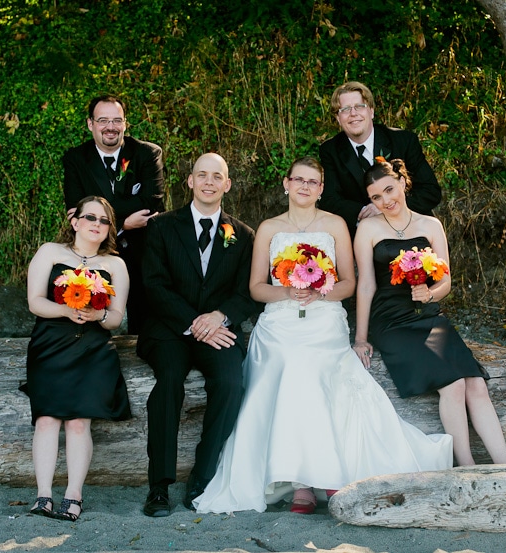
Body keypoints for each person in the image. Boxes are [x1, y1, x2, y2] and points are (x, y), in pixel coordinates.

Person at [193, 157, 453, 515]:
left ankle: (327, 474)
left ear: (321, 189)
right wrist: (286, 292)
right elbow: (255, 288)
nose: (304, 186)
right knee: (288, 360)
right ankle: (301, 483)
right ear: (285, 184)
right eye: (298, 180)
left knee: (314, 364)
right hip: (280, 319)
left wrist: (319, 292)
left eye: (313, 182)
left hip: (324, 315)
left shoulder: (335, 225)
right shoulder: (268, 228)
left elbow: (349, 282)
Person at [353, 160, 506, 466]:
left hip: (427, 312)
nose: (386, 200)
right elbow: (366, 286)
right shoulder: (368, 229)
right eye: (376, 197)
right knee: (452, 384)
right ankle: (467, 468)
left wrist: (430, 293)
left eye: (389, 189)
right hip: (391, 319)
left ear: (402, 181)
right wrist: (361, 338)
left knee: (475, 383)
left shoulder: (430, 225)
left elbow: (446, 280)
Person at [137, 153, 259, 517]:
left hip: (219, 330)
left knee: (230, 381)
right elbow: (154, 286)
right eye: (201, 175)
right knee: (170, 380)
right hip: (170, 329)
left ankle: (203, 479)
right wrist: (194, 323)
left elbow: (247, 292)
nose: (208, 181)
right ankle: (159, 486)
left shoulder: (244, 235)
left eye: (216, 176)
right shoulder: (161, 227)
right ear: (189, 181)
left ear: (227, 184)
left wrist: (219, 317)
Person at [22, 195, 131, 521]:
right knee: (46, 419)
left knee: (79, 423)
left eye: (103, 220)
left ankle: (73, 496)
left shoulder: (115, 265)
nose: (96, 224)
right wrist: (67, 310)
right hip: (50, 346)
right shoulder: (50, 252)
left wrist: (95, 314)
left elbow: (115, 319)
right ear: (75, 221)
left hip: (93, 350)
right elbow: (35, 302)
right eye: (90, 217)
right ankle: (43, 496)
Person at [62, 95, 165, 334]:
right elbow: (77, 209)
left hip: (143, 249)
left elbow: (152, 200)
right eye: (103, 120)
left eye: (117, 120)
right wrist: (123, 223)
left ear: (125, 123)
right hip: (95, 248)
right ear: (91, 124)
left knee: (147, 322)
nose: (111, 127)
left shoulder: (147, 154)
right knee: (88, 314)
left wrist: (95, 212)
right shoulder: (75, 159)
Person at [319, 81, 441, 237]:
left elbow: (430, 191)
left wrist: (384, 208)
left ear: (371, 111)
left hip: (412, 231)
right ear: (338, 117)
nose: (353, 113)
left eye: (359, 106)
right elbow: (330, 200)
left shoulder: (403, 141)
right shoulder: (330, 150)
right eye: (345, 109)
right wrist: (365, 212)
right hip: (363, 235)